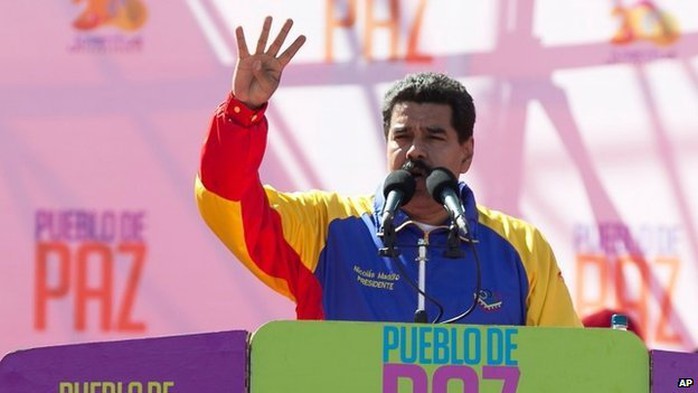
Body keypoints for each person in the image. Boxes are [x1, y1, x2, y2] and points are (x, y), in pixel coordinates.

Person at [195, 16, 582, 326]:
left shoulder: (522, 248)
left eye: (434, 136)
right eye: (402, 136)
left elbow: (570, 368)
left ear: (466, 153)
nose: (414, 150)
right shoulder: (325, 227)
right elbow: (225, 198)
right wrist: (242, 114)